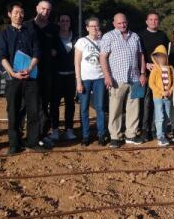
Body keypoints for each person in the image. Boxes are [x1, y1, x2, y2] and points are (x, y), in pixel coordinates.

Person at [0, 2, 48, 154]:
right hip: (13, 79)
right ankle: (14, 143)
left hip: (31, 78)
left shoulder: (31, 32)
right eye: (16, 12)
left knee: (33, 111)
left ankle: (32, 141)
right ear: (9, 14)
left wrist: (30, 68)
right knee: (13, 111)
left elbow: (37, 53)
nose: (19, 15)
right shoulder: (3, 34)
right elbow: (2, 56)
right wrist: (12, 72)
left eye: (21, 13)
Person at [100, 13, 146, 148]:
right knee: (115, 109)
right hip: (116, 79)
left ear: (127, 22)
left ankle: (131, 134)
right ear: (114, 23)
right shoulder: (108, 36)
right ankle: (115, 136)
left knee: (134, 107)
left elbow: (141, 55)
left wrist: (142, 73)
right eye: (119, 23)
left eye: (124, 22)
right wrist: (107, 75)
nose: (122, 25)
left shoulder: (135, 36)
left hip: (135, 77)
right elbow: (103, 57)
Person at [24, 0, 58, 145]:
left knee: (44, 104)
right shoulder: (26, 26)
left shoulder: (53, 28)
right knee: (29, 105)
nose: (45, 12)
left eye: (48, 10)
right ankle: (27, 135)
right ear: (37, 8)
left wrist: (55, 51)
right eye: (43, 9)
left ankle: (42, 134)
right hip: (30, 72)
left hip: (47, 72)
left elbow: (57, 46)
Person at [138, 11, 170, 142]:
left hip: (161, 74)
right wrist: (145, 66)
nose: (153, 22)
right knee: (146, 102)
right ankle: (145, 129)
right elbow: (138, 54)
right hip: (146, 73)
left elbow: (167, 55)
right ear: (146, 21)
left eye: (156, 19)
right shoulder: (140, 35)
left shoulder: (163, 35)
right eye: (151, 19)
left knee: (159, 102)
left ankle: (157, 129)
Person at [75, 17, 107, 146]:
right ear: (87, 28)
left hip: (100, 78)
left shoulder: (103, 42)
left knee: (100, 107)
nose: (95, 28)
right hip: (85, 78)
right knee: (84, 108)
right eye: (92, 26)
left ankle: (101, 135)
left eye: (96, 26)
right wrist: (78, 81)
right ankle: (86, 135)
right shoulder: (81, 42)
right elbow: (77, 63)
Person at [50, 14, 77, 141]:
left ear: (70, 23)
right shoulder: (53, 38)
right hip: (57, 76)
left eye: (67, 20)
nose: (65, 22)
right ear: (59, 23)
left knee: (70, 104)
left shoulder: (76, 38)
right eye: (62, 20)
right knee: (55, 104)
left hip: (71, 77)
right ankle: (55, 129)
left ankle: (69, 129)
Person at [148, 45, 174, 147]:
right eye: (158, 57)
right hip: (158, 97)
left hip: (168, 97)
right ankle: (160, 136)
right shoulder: (155, 70)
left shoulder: (170, 68)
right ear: (155, 58)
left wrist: (170, 91)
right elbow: (151, 84)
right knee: (160, 116)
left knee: (167, 116)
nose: (161, 59)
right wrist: (161, 92)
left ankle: (164, 133)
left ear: (166, 57)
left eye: (163, 56)